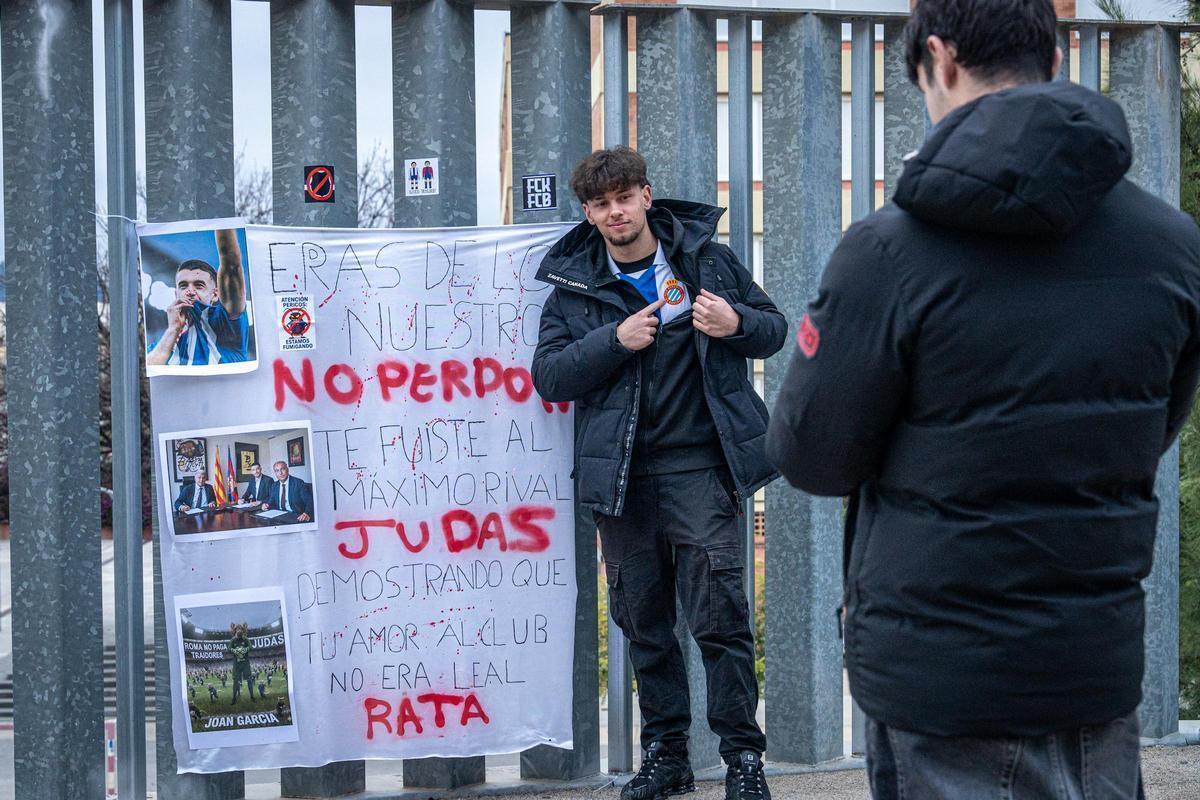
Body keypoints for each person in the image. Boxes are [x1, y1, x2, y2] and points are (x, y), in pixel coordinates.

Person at [765, 2, 1200, 797]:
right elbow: (1153, 425)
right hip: (1094, 663)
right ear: (1056, 54)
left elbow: (813, 457)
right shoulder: (1174, 245)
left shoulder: (887, 251)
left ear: (940, 57)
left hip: (944, 676)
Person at [532, 146, 786, 800]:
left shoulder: (706, 260)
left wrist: (735, 323)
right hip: (621, 483)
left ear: (646, 196)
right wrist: (614, 341)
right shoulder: (574, 287)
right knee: (644, 626)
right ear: (588, 214)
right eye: (600, 204)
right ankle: (667, 756)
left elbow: (773, 330)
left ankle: (743, 763)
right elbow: (550, 375)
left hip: (701, 471)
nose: (615, 212)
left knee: (721, 624)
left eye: (624, 198)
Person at [146, 229, 249, 366]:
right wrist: (173, 329)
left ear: (214, 294)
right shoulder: (160, 347)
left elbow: (231, 264)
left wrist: (221, 221)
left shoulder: (226, 324)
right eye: (183, 286)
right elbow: (151, 376)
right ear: (176, 294)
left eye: (199, 285)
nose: (190, 291)